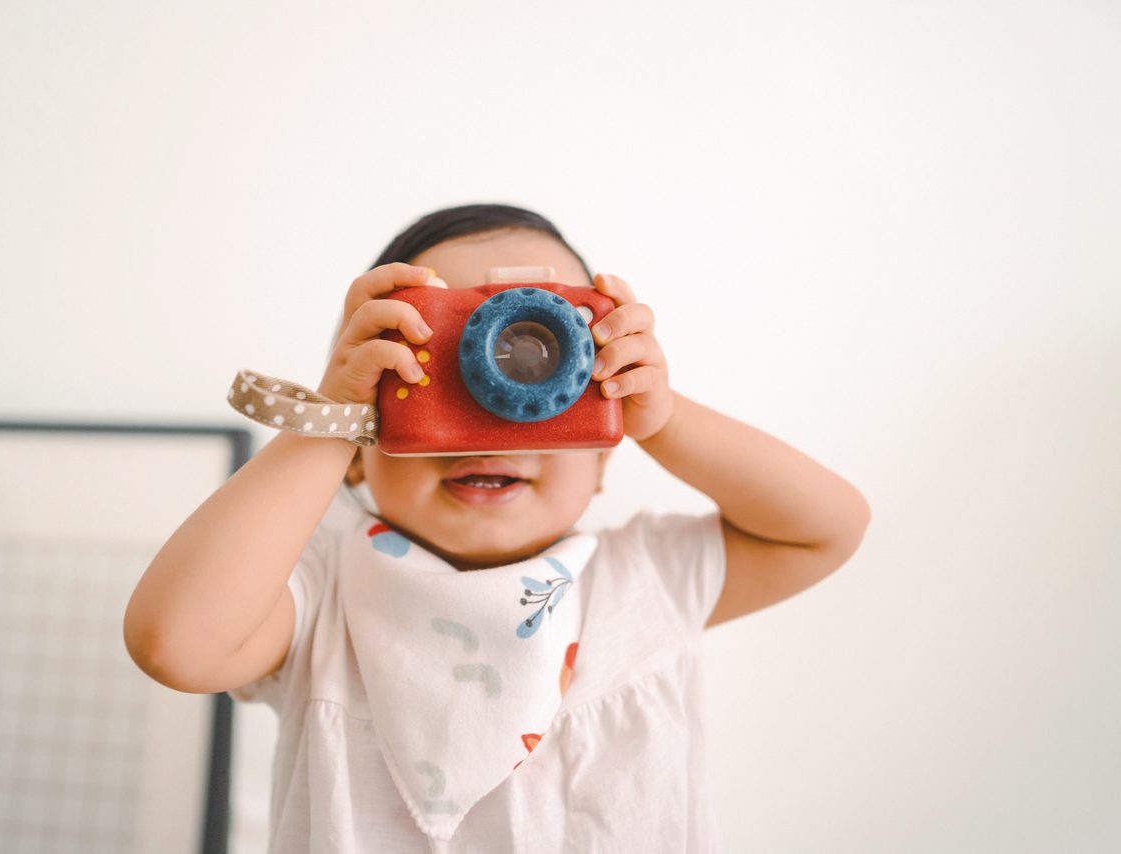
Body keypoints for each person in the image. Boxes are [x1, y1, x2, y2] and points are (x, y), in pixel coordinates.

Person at [123, 203, 872, 853]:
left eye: (543, 358)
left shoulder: (647, 581)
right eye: (436, 363)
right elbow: (175, 644)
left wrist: (664, 418)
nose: (491, 415)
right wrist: (328, 418)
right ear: (357, 453)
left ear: (603, 449)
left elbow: (828, 527)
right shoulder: (317, 593)